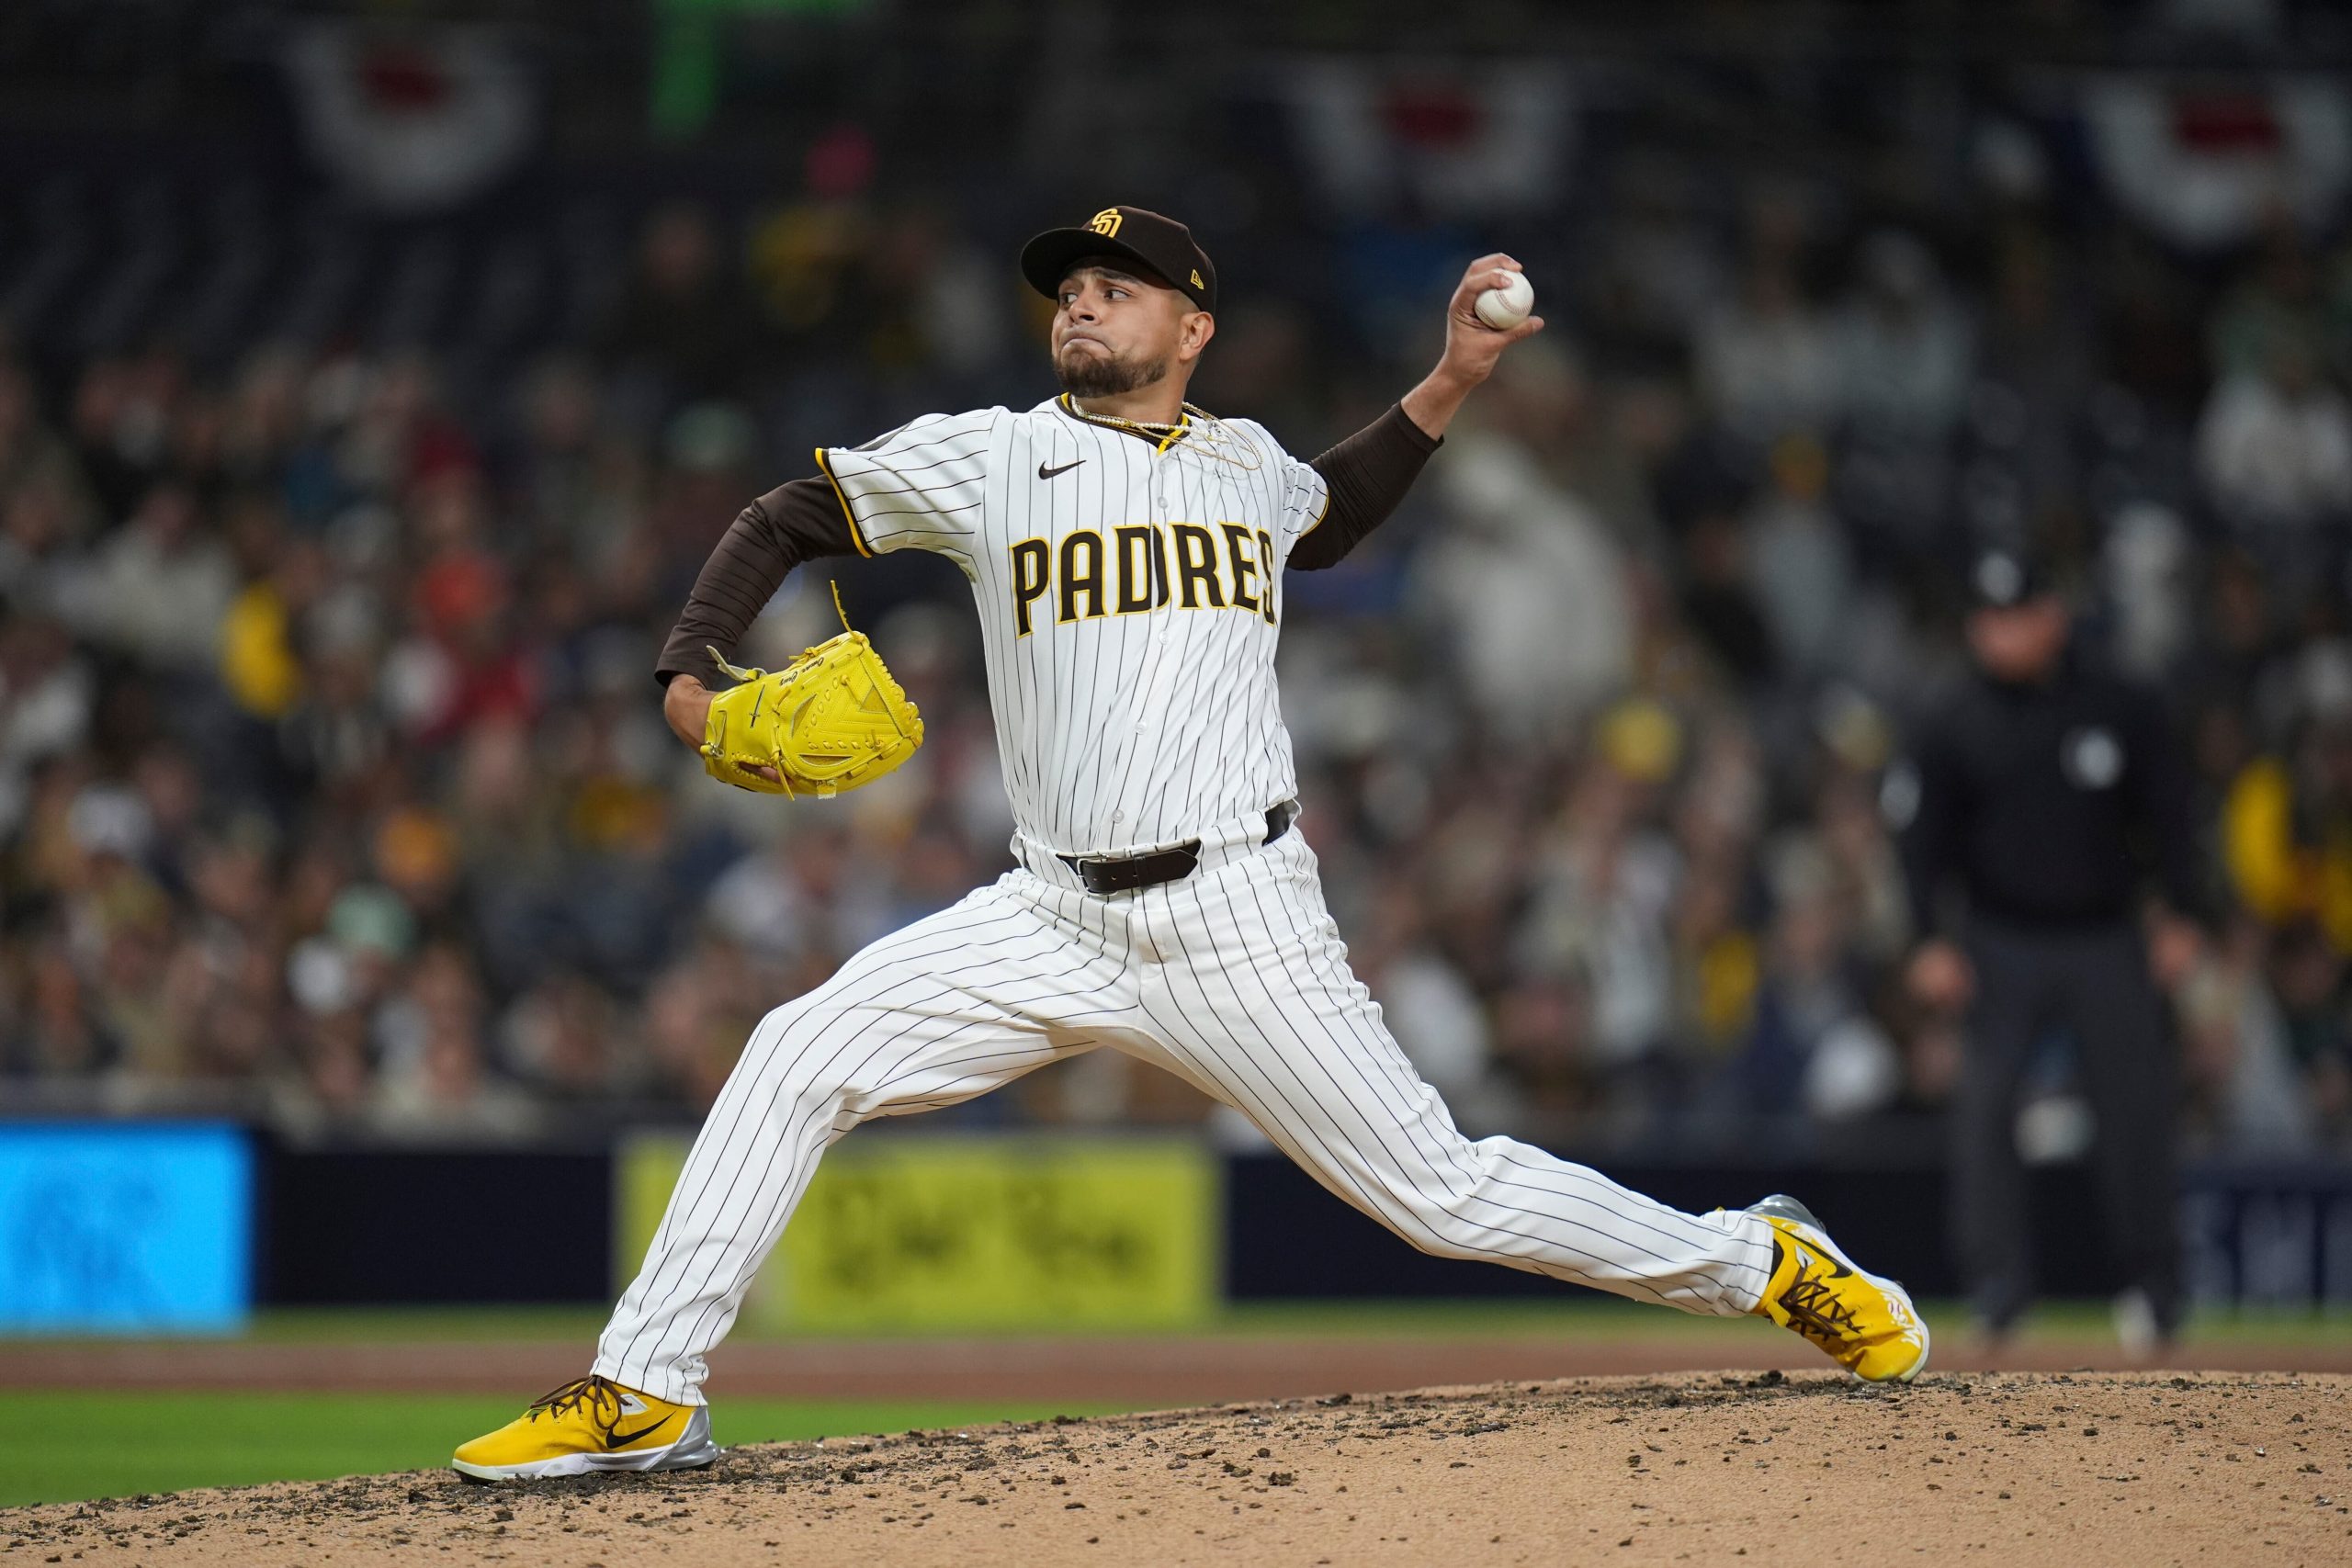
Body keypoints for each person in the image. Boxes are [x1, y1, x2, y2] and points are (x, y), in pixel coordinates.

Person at [452, 206, 1928, 1483]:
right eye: (1069, 285)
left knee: (1445, 1195)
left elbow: (1332, 514)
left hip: (1240, 916)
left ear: (1193, 324)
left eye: (1119, 282)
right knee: (794, 1052)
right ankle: (649, 1384)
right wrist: (691, 674)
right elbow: (790, 512)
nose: (1081, 298)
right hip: (1048, 913)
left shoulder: (1248, 464)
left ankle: (1765, 1258)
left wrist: (1448, 381)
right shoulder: (990, 457)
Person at [1898, 549, 2205, 1351]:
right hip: (2000, 939)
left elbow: (2173, 812)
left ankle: (2155, 1287)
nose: (1998, 634)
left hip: (2107, 935)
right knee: (1986, 1111)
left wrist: (2183, 912)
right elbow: (1919, 838)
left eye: (2014, 616)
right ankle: (1998, 1288)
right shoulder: (1951, 714)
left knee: (2134, 1108)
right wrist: (1926, 936)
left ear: (2052, 617)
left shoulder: (2120, 699)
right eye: (1986, 619)